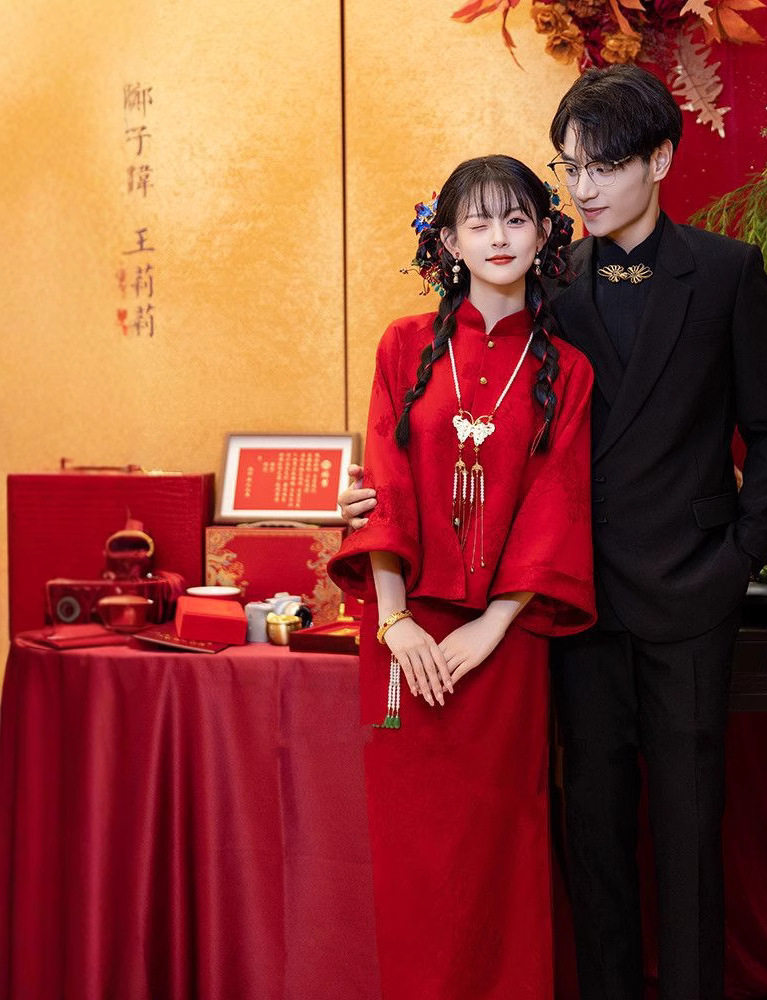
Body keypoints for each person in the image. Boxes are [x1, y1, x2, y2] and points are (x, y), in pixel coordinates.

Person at [342, 67, 767, 999]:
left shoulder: (726, 272)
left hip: (689, 594)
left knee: (690, 834)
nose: (583, 187)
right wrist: (384, 500)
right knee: (592, 835)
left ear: (660, 161)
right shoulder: (552, 284)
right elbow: (489, 426)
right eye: (570, 167)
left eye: (604, 166)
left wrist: (739, 559)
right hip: (573, 606)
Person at [327, 154, 596, 1000]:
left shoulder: (569, 369)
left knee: (500, 849)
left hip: (505, 645)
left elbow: (555, 503)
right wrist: (395, 621)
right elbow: (386, 481)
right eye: (477, 222)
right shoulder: (402, 346)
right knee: (413, 857)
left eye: (516, 219)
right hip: (404, 641)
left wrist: (492, 626)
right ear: (447, 240)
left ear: (546, 232)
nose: (498, 237)